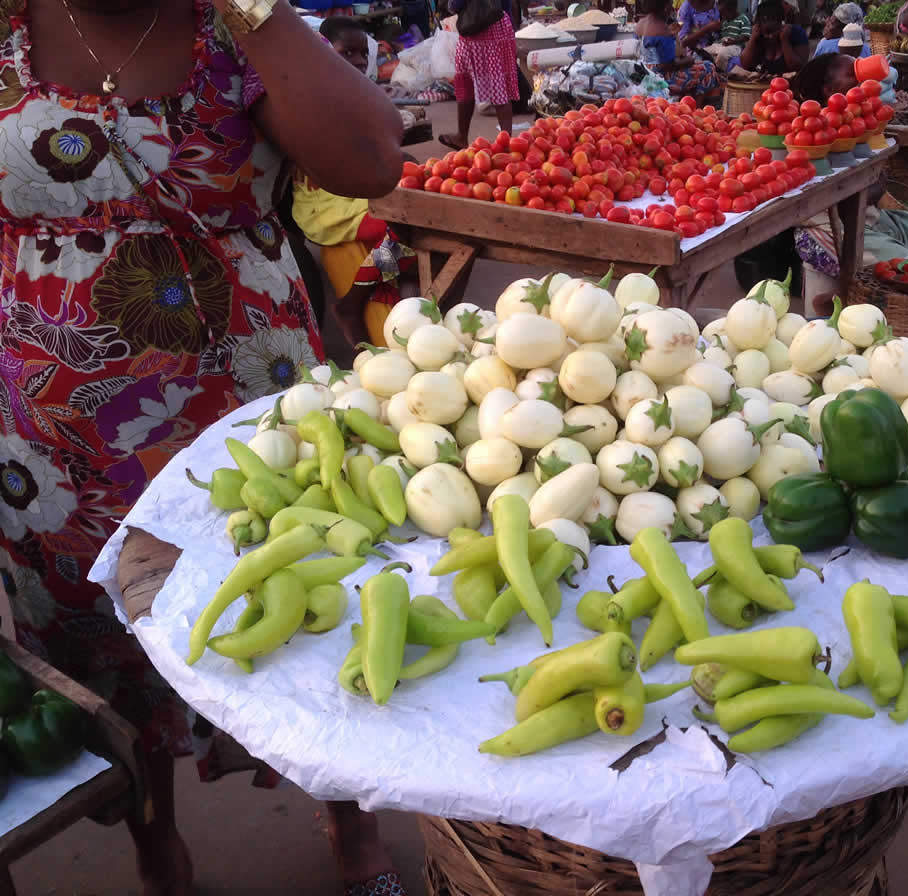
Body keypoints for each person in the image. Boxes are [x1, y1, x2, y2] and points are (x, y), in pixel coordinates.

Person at [0, 0, 412, 894]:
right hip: (54, 449)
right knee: (110, 639)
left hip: (243, 413)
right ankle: (159, 850)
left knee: (300, 607)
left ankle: (350, 818)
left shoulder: (236, 27)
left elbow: (373, 160)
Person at [787, 54, 908, 315]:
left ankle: (846, 295)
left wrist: (872, 187)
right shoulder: (808, 134)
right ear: (829, 91)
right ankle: (842, 299)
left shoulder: (864, 122)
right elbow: (841, 200)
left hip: (874, 218)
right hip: (831, 229)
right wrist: (871, 188)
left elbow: (875, 186)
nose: (861, 76)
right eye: (851, 74)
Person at [293, 17, 417, 346]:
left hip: (356, 189)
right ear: (322, 51)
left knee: (421, 214)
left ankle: (400, 290)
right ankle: (352, 303)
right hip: (328, 201)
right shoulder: (308, 99)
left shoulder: (357, 93)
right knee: (401, 226)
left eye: (363, 53)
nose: (360, 61)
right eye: (347, 52)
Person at [438, 0, 520, 148]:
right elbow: (508, 4)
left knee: (465, 82)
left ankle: (464, 137)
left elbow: (455, 5)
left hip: (477, 32)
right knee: (500, 85)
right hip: (500, 26)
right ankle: (505, 142)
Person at [636, 0, 723, 102]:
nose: (672, 8)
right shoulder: (661, 29)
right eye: (670, 4)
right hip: (662, 78)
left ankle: (688, 99)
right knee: (708, 67)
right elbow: (666, 66)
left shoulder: (643, 22)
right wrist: (688, 61)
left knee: (696, 65)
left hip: (646, 70)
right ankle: (696, 107)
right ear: (664, 7)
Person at [738, 0, 809, 75]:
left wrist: (785, 41)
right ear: (759, 27)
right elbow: (745, 65)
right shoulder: (757, 35)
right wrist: (752, 38)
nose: (770, 36)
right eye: (767, 32)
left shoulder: (797, 33)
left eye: (774, 31)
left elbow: (797, 67)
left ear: (782, 25)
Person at [694, 0, 749, 71]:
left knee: (723, 54)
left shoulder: (743, 19)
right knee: (702, 52)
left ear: (732, 8)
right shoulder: (725, 20)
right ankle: (701, 72)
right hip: (721, 44)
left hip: (736, 46)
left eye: (724, 13)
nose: (722, 15)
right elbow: (720, 32)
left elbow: (746, 36)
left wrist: (734, 41)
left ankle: (719, 73)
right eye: (721, 13)